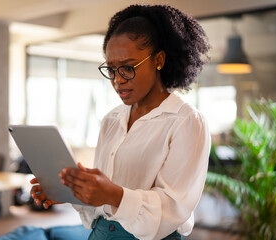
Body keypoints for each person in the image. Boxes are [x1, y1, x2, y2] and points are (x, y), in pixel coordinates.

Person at [30, 4, 211, 240]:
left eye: (127, 68)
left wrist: (114, 195)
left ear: (159, 60)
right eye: (111, 69)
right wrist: (71, 193)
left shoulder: (186, 121)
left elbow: (172, 209)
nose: (117, 80)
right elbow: (101, 207)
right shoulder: (111, 120)